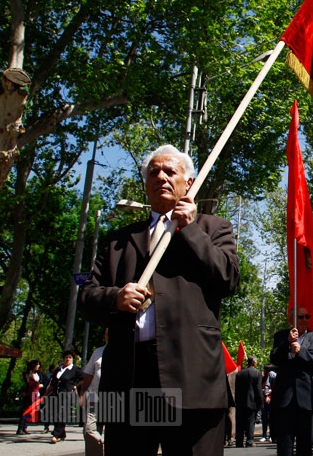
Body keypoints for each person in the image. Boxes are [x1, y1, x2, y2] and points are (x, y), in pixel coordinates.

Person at [79, 144, 240, 455]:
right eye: (154, 172)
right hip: (130, 379)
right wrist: (115, 297)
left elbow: (228, 279)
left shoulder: (212, 228)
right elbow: (86, 296)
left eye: (170, 171)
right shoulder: (118, 242)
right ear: (145, 183)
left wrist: (190, 230)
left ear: (188, 183)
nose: (161, 177)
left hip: (192, 377)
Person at [270, 306, 313, 456]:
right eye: (300, 317)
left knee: (305, 445)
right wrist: (287, 343)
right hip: (285, 400)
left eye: (306, 317)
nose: (304, 320)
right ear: (291, 319)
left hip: (307, 400)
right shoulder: (281, 336)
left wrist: (301, 351)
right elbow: (275, 358)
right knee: (284, 445)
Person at [42, 349, 81, 443]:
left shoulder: (74, 369)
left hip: (66, 394)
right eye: (66, 357)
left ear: (72, 359)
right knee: (56, 413)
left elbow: (84, 378)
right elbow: (53, 383)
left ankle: (56, 434)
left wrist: (75, 385)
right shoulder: (59, 369)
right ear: (63, 359)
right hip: (56, 394)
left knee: (61, 413)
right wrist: (45, 394)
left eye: (70, 357)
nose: (68, 359)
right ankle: (62, 433)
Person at [79, 330, 108, 456]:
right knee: (89, 430)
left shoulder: (126, 350)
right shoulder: (98, 352)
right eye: (108, 333)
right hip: (94, 398)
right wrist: (82, 393)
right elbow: (88, 374)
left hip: (116, 399)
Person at [235, 355, 264, 448]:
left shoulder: (240, 373)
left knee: (240, 422)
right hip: (252, 402)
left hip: (240, 402)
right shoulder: (257, 373)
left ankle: (239, 441)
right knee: (250, 422)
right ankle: (249, 440)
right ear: (254, 362)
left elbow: (237, 389)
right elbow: (258, 389)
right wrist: (260, 402)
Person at [16, 359, 42, 434]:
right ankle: (20, 428)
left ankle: (25, 427)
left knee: (30, 412)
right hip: (29, 395)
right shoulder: (27, 374)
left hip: (36, 395)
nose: (38, 366)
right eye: (37, 364)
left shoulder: (38, 374)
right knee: (26, 411)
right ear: (33, 365)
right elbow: (29, 384)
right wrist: (38, 385)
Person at [261, 364, 277, 442]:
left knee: (271, 418)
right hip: (266, 400)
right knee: (264, 418)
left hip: (271, 399)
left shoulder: (272, 375)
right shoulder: (263, 378)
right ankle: (265, 434)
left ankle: (271, 434)